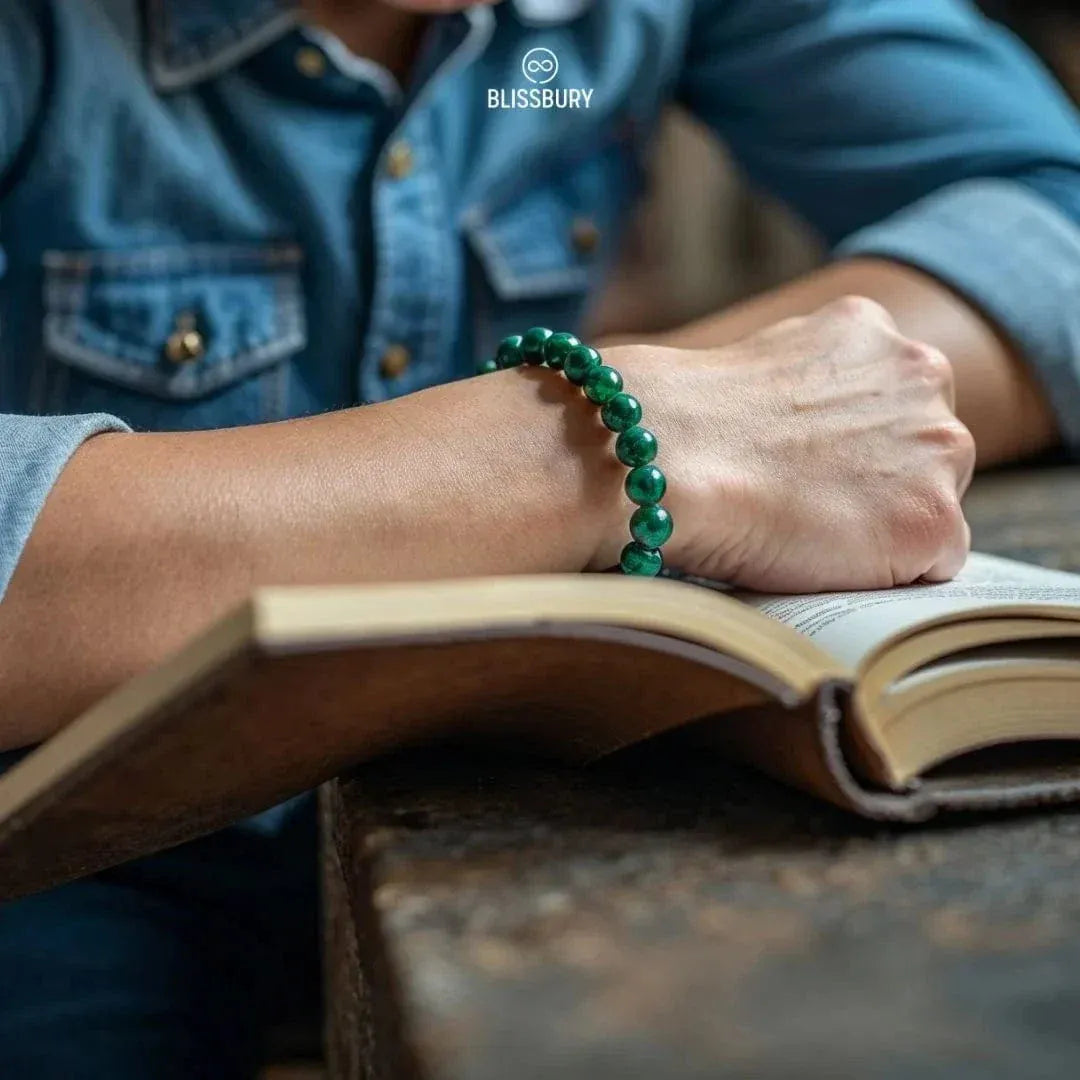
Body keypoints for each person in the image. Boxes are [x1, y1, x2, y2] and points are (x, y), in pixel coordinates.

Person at [0, 0, 1078, 1074]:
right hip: (71, 844)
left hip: (509, 769)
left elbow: (1055, 212)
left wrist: (734, 430)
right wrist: (588, 448)